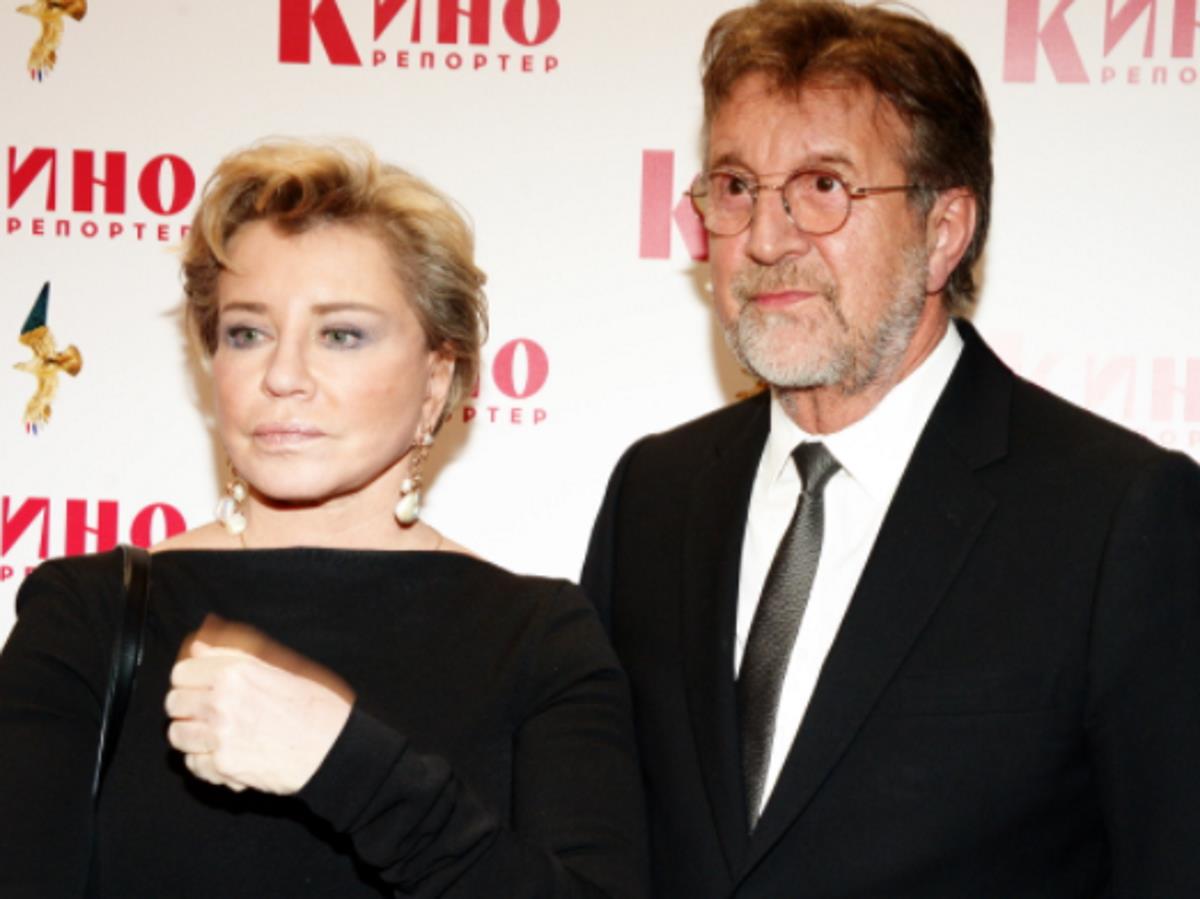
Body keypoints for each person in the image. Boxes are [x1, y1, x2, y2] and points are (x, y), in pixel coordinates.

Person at [581, 2, 1200, 896]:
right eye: (736, 186)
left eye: (823, 186)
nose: (765, 238)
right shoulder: (654, 492)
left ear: (942, 231)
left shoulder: (1116, 517)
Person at [0, 139, 648, 898]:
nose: (281, 375)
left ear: (436, 378)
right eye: (247, 333)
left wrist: (343, 763)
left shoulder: (538, 637)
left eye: (340, 334)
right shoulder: (91, 616)